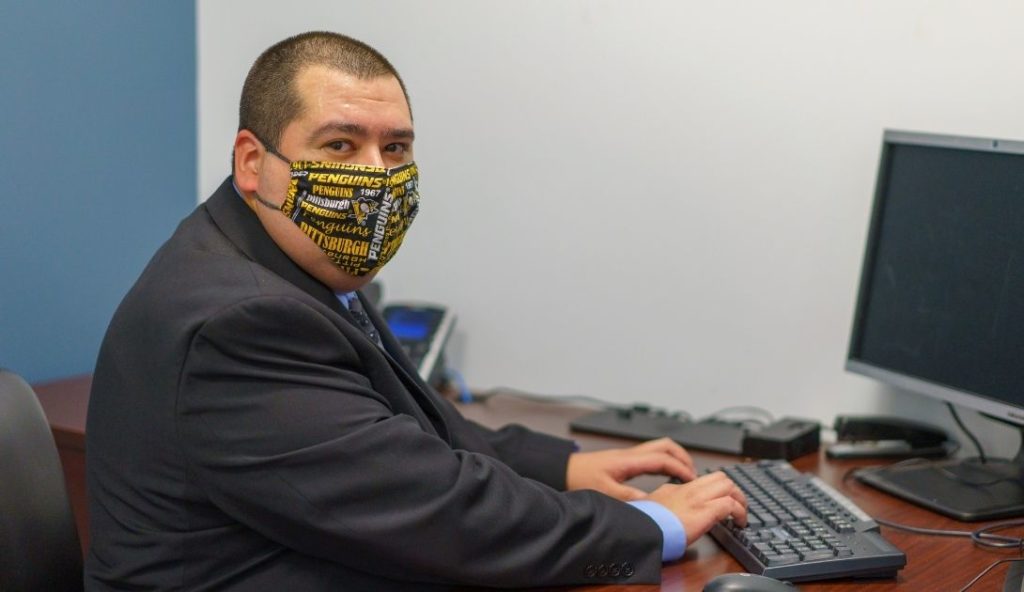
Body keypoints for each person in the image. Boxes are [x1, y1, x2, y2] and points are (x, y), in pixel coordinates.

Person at [85, 31, 746, 591]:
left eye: (395, 149)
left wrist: (566, 468)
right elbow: (439, 509)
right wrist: (652, 525)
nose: (376, 177)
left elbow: (413, 438)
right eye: (341, 146)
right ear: (252, 161)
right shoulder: (239, 321)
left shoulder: (284, 266)